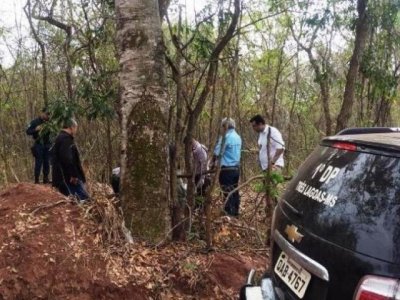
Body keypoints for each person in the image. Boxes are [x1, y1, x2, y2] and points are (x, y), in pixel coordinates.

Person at [51, 119, 89, 202]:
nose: (76, 131)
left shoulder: (61, 138)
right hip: (68, 179)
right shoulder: (65, 139)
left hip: (64, 177)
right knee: (84, 201)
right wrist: (73, 175)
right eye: (76, 128)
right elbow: (67, 158)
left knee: (75, 202)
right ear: (72, 127)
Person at [212, 118, 242, 216]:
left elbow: (217, 152)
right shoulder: (238, 137)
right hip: (236, 169)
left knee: (227, 191)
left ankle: (229, 214)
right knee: (234, 190)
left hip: (227, 169)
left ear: (225, 126)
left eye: (222, 126)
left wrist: (213, 163)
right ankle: (235, 211)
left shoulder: (226, 137)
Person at [26, 108, 51, 184]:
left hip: (47, 145)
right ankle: (36, 180)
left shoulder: (49, 123)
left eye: (48, 115)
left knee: (47, 162)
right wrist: (36, 130)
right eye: (46, 114)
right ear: (42, 113)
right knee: (38, 162)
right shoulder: (34, 122)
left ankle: (45, 179)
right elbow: (28, 131)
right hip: (38, 145)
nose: (47, 116)